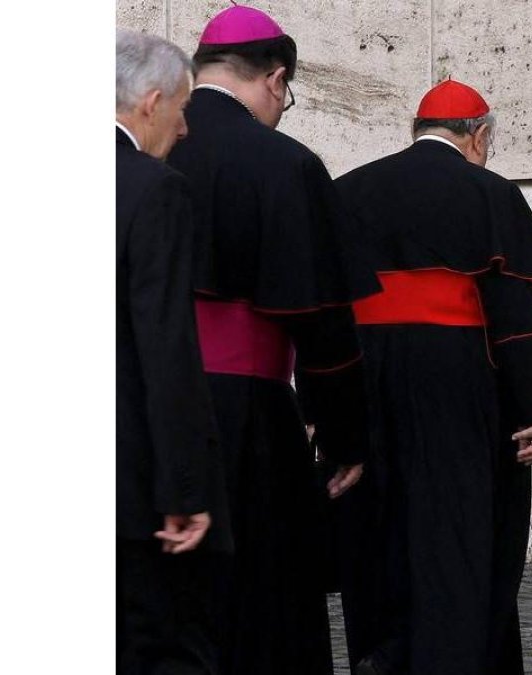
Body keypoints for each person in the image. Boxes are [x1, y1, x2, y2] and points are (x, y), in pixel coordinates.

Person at [165, 4, 381, 674]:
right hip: (249, 418)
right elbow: (321, 320)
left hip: (145, 403)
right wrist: (343, 433)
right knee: (265, 598)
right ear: (276, 79)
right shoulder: (283, 163)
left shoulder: (144, 146)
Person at [333, 79, 532, 675]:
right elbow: (513, 319)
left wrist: (325, 401)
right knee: (460, 533)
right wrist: (531, 408)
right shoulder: (490, 192)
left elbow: (323, 307)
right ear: (479, 136)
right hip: (461, 384)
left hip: (367, 375)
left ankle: (380, 656)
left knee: (379, 524)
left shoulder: (349, 190)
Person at [116, 29, 221, 675]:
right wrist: (184, 487)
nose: (184, 131)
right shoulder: (153, 188)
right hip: (123, 481)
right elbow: (164, 346)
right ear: (152, 102)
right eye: (182, 110)